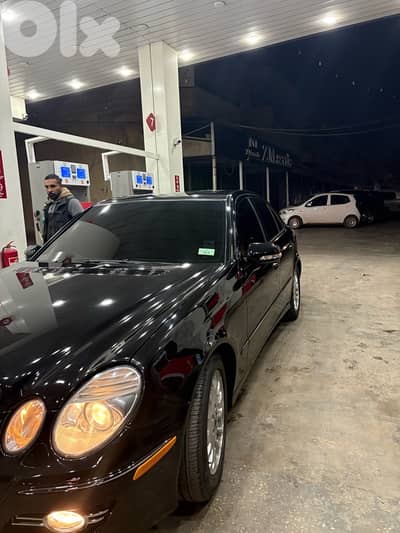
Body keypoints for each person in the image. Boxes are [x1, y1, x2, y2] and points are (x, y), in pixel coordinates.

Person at [43, 174, 84, 242]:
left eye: (53, 186)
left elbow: (81, 227)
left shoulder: (71, 202)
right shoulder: (49, 205)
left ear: (60, 186)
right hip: (53, 246)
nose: (49, 190)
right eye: (46, 187)